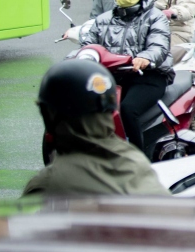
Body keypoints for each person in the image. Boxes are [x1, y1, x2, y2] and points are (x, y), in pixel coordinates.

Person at [23, 60, 168, 196]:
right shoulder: (137, 161)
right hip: (123, 72)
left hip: (145, 74)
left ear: (49, 114)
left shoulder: (47, 184)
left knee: (129, 109)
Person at [80, 0, 173, 151]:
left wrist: (145, 58)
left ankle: (137, 161)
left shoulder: (155, 18)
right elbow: (88, 46)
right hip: (112, 77)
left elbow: (158, 46)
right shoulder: (103, 20)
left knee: (127, 110)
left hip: (147, 76)